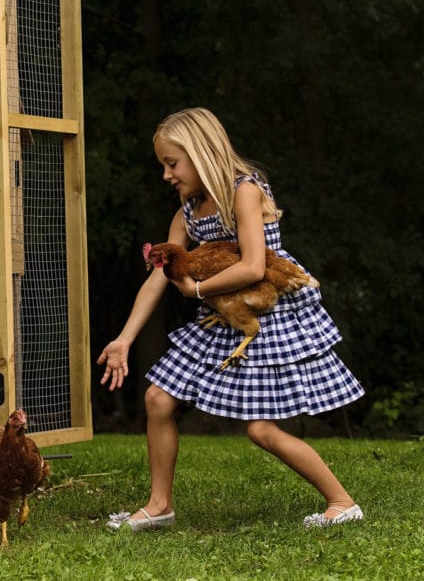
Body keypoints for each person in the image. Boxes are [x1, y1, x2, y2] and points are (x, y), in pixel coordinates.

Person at [98, 107, 364, 531]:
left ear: (201, 152)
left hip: (265, 311)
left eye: (172, 163)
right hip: (223, 313)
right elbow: (157, 278)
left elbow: (255, 267)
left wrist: (199, 291)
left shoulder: (245, 191)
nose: (167, 175)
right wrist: (125, 339)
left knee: (261, 430)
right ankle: (160, 504)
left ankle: (341, 501)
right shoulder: (187, 210)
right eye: (163, 165)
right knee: (157, 399)